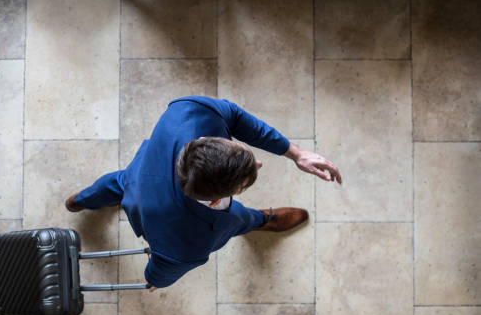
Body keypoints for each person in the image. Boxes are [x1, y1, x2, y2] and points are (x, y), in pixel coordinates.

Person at [65, 96, 341, 292]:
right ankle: (261, 220)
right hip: (158, 214)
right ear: (218, 201)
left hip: (138, 175)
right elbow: (158, 274)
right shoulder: (189, 242)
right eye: (248, 177)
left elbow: (234, 116)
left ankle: (80, 200)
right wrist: (155, 279)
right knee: (241, 218)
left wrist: (296, 153)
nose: (258, 162)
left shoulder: (189, 111)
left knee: (117, 182)